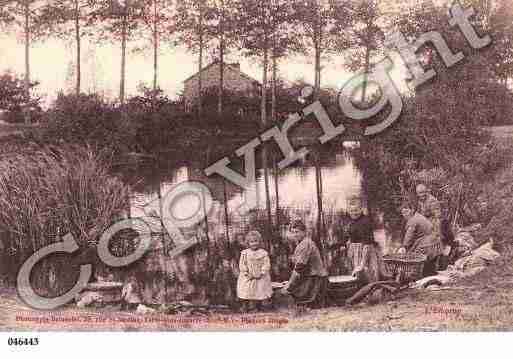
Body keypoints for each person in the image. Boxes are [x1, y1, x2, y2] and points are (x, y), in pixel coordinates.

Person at [282, 220, 328, 310]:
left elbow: (299, 268)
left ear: (304, 232)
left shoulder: (306, 244)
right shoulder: (301, 243)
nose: (295, 235)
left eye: (297, 232)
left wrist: (289, 285)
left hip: (316, 278)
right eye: (293, 232)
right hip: (310, 276)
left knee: (288, 293)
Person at [343, 196, 382, 284]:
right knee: (355, 275)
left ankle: (372, 291)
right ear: (348, 211)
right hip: (354, 251)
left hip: (365, 251)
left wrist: (362, 264)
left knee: (366, 272)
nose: (354, 213)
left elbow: (367, 244)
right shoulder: (352, 221)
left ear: (361, 209)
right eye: (351, 211)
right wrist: (347, 245)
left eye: (356, 210)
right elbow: (351, 235)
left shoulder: (365, 222)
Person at [398, 202, 442, 276]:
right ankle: (429, 278)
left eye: (406, 211)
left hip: (426, 246)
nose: (405, 215)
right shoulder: (419, 216)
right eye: (403, 213)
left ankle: (415, 278)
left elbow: (409, 236)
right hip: (435, 244)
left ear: (412, 210)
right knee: (430, 268)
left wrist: (403, 247)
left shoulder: (413, 221)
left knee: (417, 262)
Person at [237, 231, 272, 312]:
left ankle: (259, 306)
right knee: (247, 289)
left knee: (259, 290)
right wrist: (246, 272)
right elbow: (242, 264)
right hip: (248, 275)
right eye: (251, 242)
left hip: (260, 275)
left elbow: (266, 264)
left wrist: (262, 272)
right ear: (248, 243)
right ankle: (246, 306)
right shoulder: (245, 253)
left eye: (256, 241)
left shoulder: (263, 253)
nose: (254, 244)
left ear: (259, 241)